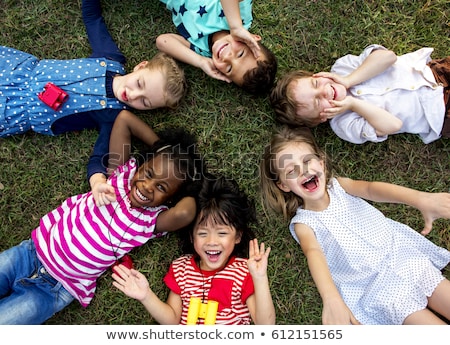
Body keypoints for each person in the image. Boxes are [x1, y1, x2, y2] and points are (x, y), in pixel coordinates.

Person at [0, 126, 205, 325]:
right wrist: (163, 150)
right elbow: (124, 120)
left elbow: (186, 212)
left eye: (162, 187)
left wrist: (197, 182)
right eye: (149, 173)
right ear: (141, 165)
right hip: (29, 254)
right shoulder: (120, 176)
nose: (147, 186)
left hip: (58, 288)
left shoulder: (151, 221)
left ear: (170, 200)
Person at [260, 125, 450, 325]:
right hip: (380, 290)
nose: (303, 170)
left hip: (405, 259)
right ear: (282, 185)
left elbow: (371, 189)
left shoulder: (340, 186)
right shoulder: (304, 224)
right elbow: (313, 253)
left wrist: (419, 199)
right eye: (291, 170)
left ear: (321, 163)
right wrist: (331, 298)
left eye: (307, 160)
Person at [0, 0, 187, 180]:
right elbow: (92, 18)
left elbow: (100, 155)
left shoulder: (113, 116)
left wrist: (97, 179)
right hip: (16, 71)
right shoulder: (110, 58)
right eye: (139, 84)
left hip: (16, 109)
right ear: (140, 67)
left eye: (145, 102)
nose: (133, 95)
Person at [112, 176, 276, 325]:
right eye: (203, 233)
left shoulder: (244, 271)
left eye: (222, 233)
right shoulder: (181, 269)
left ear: (238, 236)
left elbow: (265, 326)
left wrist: (260, 278)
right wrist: (146, 295)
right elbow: (172, 320)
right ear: (191, 236)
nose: (212, 242)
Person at [270, 44, 450, 144]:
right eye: (318, 102)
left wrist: (349, 80)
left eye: (316, 83)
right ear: (320, 119)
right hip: (439, 114)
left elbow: (388, 57)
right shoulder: (344, 124)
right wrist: (353, 104)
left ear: (317, 74)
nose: (324, 91)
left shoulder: (343, 67)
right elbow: (394, 125)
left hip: (434, 72)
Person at [156, 0, 277, 95]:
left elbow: (163, 41)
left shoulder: (202, 50)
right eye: (240, 54)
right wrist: (236, 27)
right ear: (252, 39)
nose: (227, 57)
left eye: (229, 68)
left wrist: (200, 61)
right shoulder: (241, 19)